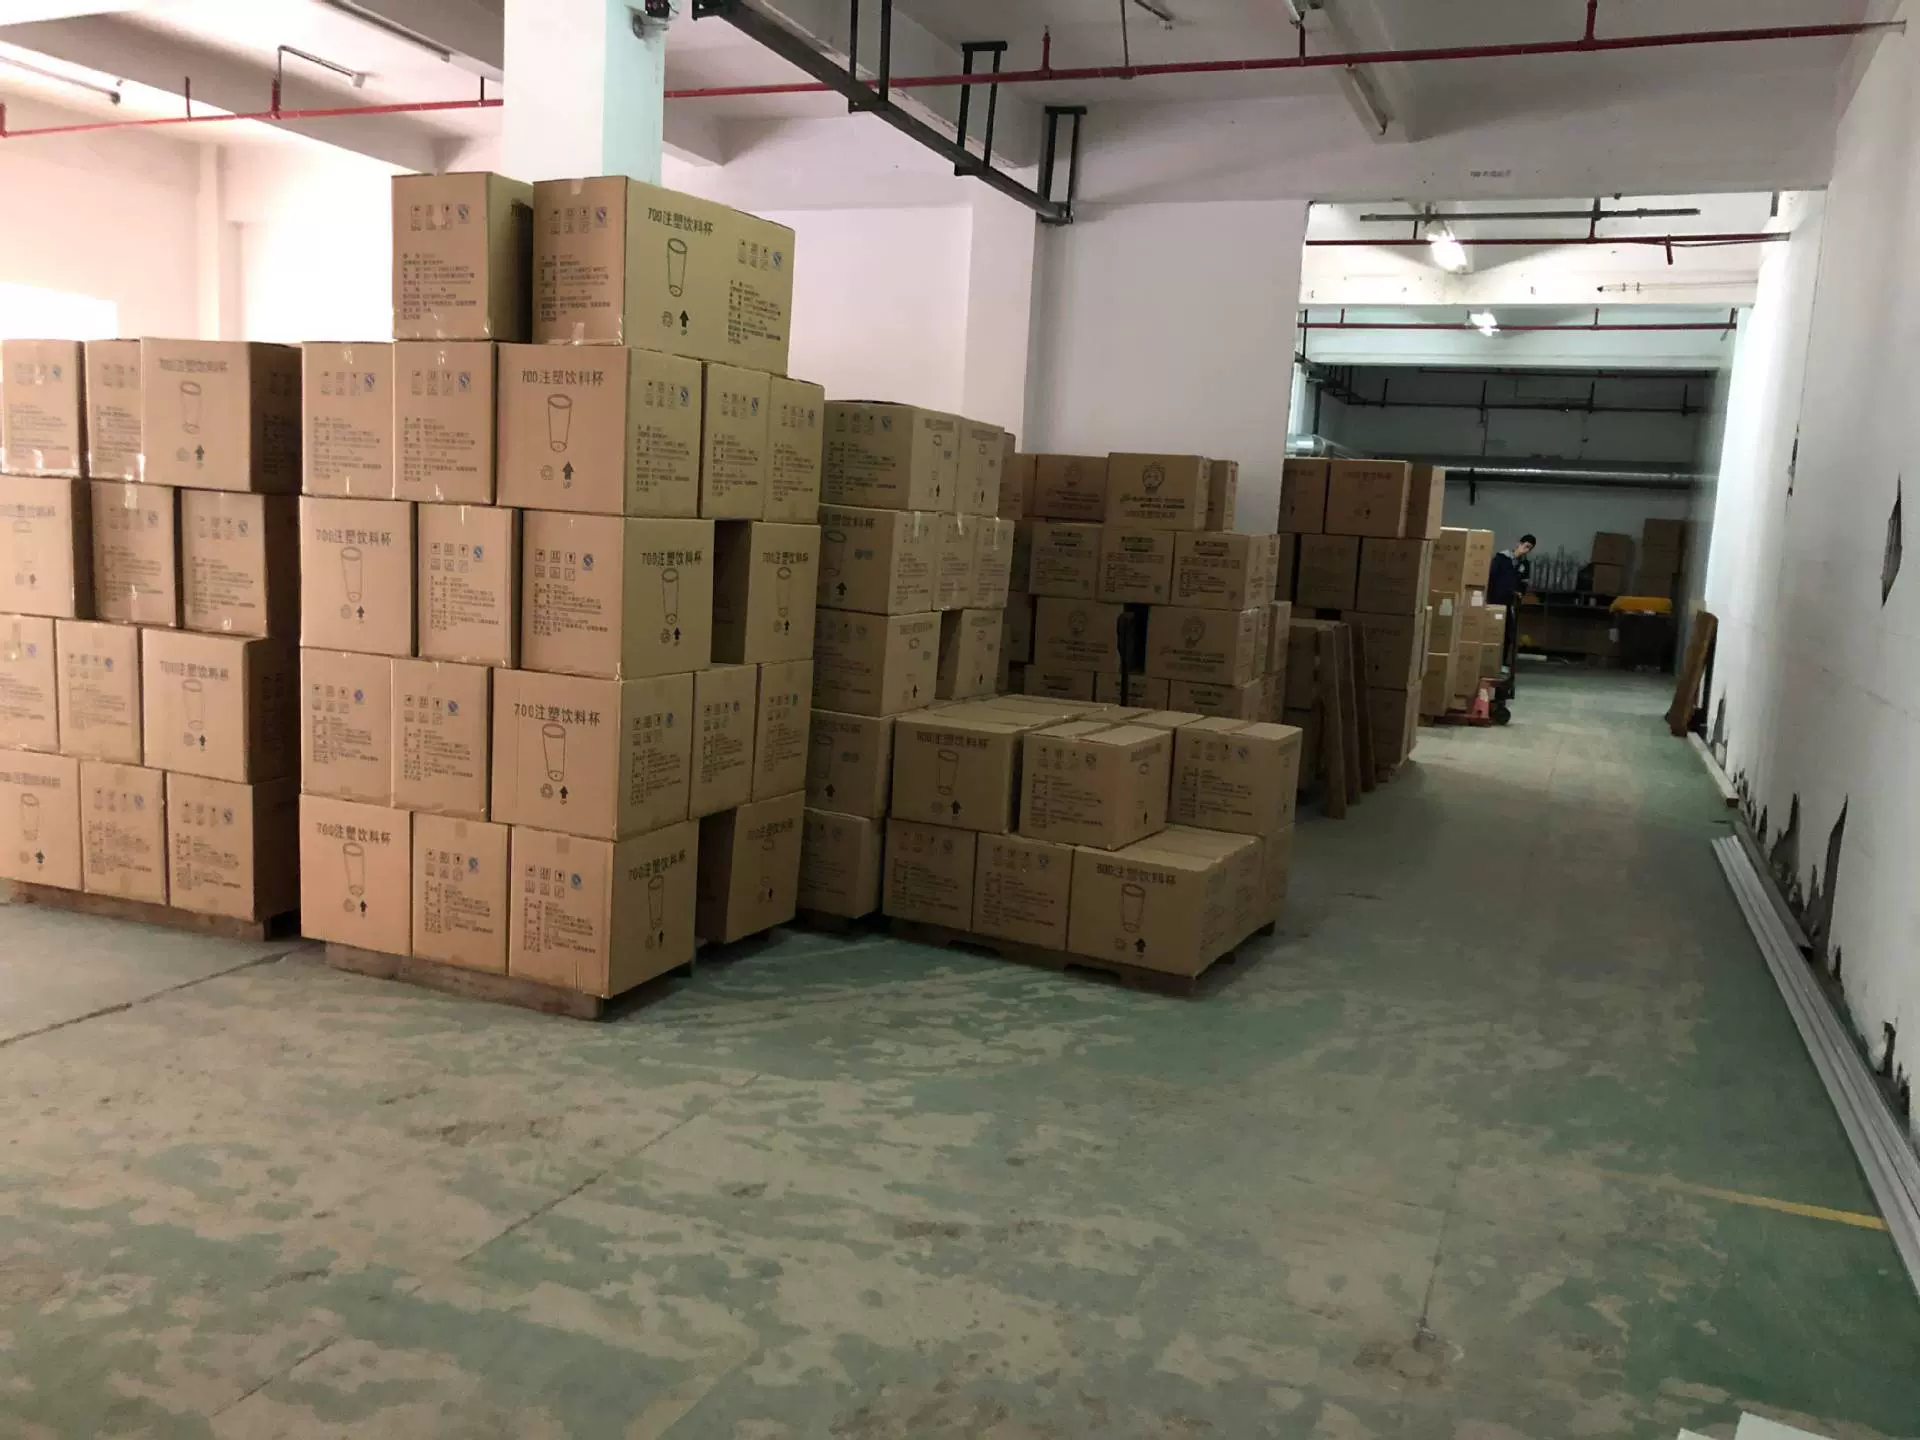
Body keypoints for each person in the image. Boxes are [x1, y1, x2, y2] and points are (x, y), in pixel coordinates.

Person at [1486, 534, 1536, 680]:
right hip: (1496, 601)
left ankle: (1501, 662)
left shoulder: (1524, 564)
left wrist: (1520, 593)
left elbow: (1524, 583)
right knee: (1493, 631)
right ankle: (1488, 661)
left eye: (1529, 549)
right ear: (1519, 544)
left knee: (1508, 633)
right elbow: (1491, 578)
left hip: (1510, 603)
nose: (1526, 550)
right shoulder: (1502, 558)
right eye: (1525, 546)